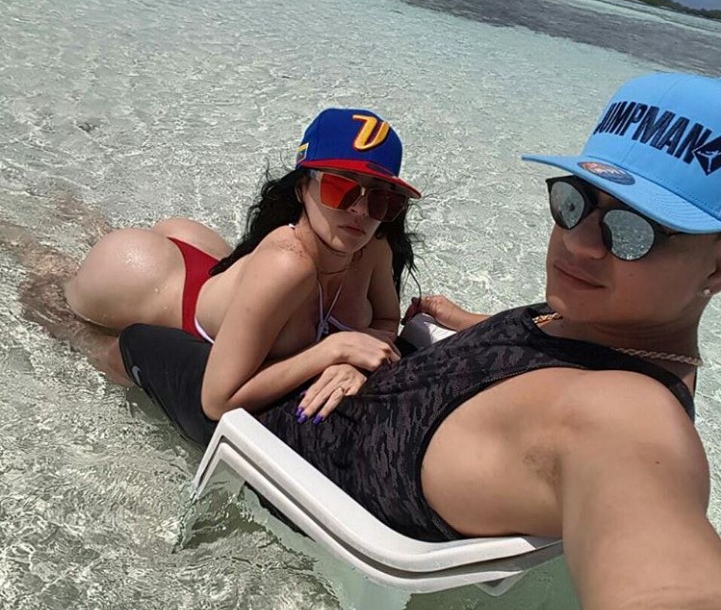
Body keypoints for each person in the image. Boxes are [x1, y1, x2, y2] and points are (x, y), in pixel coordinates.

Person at [119, 72, 721, 609]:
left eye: (635, 230)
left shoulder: (627, 418)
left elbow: (663, 564)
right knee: (190, 253)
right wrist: (469, 321)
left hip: (278, 428)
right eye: (574, 201)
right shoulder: (593, 315)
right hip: (338, 373)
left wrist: (339, 352)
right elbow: (538, 351)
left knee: (127, 337)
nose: (579, 244)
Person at [63, 108, 422, 444]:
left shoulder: (373, 248)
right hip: (147, 283)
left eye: (381, 199)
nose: (360, 211)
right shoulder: (287, 266)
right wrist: (335, 350)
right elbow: (216, 401)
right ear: (302, 188)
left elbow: (387, 320)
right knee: (55, 302)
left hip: (215, 272)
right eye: (340, 188)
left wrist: (358, 362)